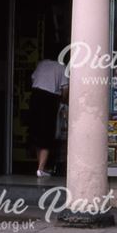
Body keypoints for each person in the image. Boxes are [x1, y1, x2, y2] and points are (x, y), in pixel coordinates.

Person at [30, 45, 69, 180]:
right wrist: (64, 102)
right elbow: (65, 91)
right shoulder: (62, 67)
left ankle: (40, 167)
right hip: (50, 99)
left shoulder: (42, 64)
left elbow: (33, 79)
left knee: (36, 133)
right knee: (47, 133)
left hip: (35, 96)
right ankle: (41, 169)